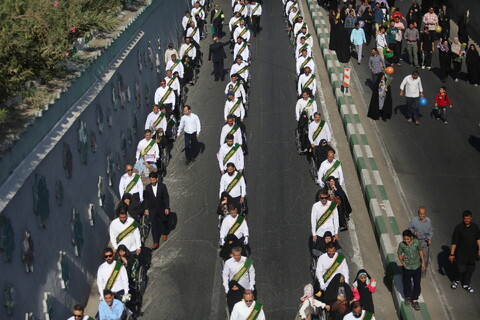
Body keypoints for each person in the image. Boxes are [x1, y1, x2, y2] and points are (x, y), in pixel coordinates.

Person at [449, 210, 480, 293]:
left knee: (470, 270)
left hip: (472, 254)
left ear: (471, 218)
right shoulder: (458, 228)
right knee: (461, 269)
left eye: (468, 218)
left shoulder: (475, 227)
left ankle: (466, 284)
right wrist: (452, 254)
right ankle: (456, 280)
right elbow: (454, 242)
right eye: (465, 218)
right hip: (461, 254)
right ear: (463, 218)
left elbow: (478, 238)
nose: (467, 220)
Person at [397, 229, 425, 311]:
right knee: (406, 283)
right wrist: (402, 262)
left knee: (417, 283)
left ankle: (415, 300)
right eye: (404, 239)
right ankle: (408, 297)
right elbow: (399, 254)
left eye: (408, 239)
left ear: (411, 237)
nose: (406, 241)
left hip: (417, 266)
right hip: (407, 267)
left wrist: (423, 262)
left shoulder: (416, 242)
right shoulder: (402, 245)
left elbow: (420, 251)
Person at [223, 247, 256, 312]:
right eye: (235, 255)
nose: (237, 257)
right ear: (232, 254)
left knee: (248, 307)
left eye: (239, 255)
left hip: (245, 288)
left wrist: (252, 284)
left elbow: (252, 272)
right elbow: (225, 275)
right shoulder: (228, 262)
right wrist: (227, 288)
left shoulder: (247, 261)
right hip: (235, 289)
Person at [143, 171, 170, 249]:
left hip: (161, 207)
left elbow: (166, 198)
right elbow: (147, 199)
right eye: (151, 180)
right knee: (154, 225)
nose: (152, 182)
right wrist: (146, 208)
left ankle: (164, 233)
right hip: (152, 209)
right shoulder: (148, 187)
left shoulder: (162, 186)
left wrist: (167, 207)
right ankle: (155, 242)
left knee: (163, 221)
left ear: (157, 179)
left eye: (154, 180)